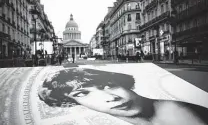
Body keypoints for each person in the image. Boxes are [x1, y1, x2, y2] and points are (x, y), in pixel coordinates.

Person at [38, 68, 208, 125]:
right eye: (82, 93)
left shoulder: (174, 112)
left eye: (109, 85)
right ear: (71, 103)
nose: (111, 97)